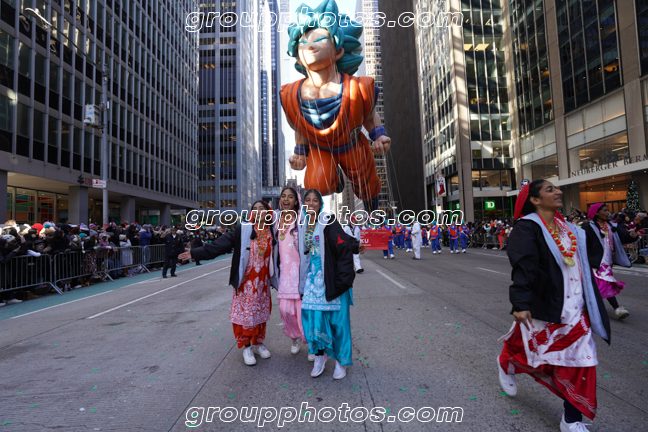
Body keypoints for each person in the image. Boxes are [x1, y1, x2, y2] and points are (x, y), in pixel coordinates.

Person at [498, 180, 610, 432]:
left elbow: (590, 257)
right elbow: (523, 267)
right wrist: (520, 302)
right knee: (536, 352)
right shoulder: (527, 227)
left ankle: (571, 419)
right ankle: (506, 362)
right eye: (550, 190)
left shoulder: (570, 229)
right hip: (548, 302)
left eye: (557, 188)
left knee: (583, 360)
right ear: (535, 200)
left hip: (577, 307)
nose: (558, 191)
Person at [180, 201, 276, 366]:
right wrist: (196, 253)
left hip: (263, 283)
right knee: (246, 314)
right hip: (246, 282)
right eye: (255, 209)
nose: (258, 211)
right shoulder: (244, 229)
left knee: (260, 313)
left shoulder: (272, 232)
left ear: (268, 213)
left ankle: (258, 342)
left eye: (262, 209)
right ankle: (246, 346)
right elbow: (220, 245)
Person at [299, 189, 363, 379]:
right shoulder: (303, 223)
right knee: (314, 321)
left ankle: (341, 361)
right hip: (313, 281)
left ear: (320, 204)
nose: (311, 203)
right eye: (307, 200)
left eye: (315, 200)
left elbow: (341, 240)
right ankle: (320, 356)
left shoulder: (328, 220)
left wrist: (344, 278)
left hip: (332, 279)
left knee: (338, 322)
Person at [583, 203, 639, 320]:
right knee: (605, 282)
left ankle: (588, 307)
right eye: (605, 210)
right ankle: (617, 309)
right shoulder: (587, 227)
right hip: (594, 261)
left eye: (608, 210)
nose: (608, 212)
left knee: (599, 285)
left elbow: (625, 236)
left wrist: (632, 235)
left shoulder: (612, 226)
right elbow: (582, 243)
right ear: (596, 213)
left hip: (608, 261)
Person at [271, 187, 307, 357]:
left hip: (300, 274)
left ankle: (311, 343)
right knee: (285, 310)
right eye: (283, 196)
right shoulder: (275, 219)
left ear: (296, 201)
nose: (286, 199)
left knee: (303, 312)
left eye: (290, 196)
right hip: (284, 274)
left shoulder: (302, 218)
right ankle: (295, 338)